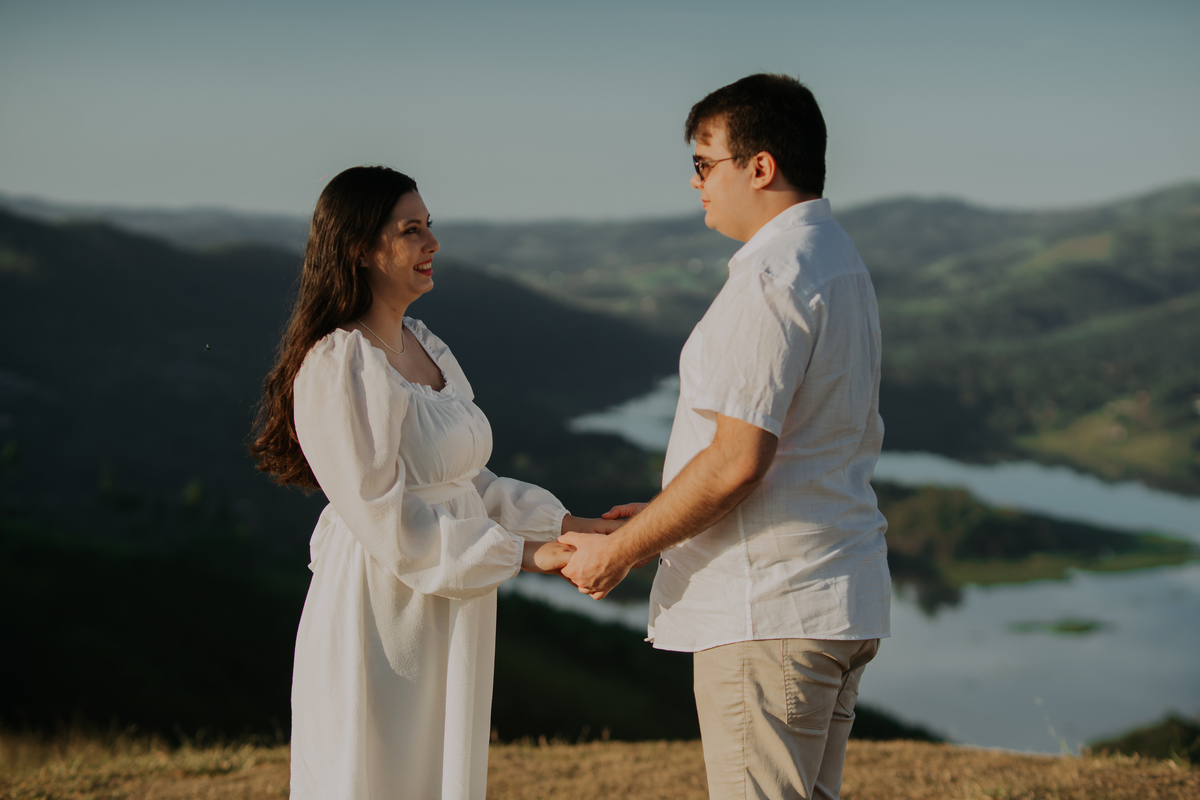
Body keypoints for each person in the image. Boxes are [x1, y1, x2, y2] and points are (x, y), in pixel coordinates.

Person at [560, 74, 892, 800]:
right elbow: (798, 445)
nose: (695, 181)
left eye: (705, 163)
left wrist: (619, 551)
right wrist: (661, 513)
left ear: (760, 166)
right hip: (835, 597)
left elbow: (739, 461)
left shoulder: (772, 276)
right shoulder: (837, 259)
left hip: (767, 607)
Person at [249, 165, 618, 800]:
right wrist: (526, 554)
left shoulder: (423, 344)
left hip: (453, 595)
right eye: (411, 230)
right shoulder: (339, 363)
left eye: (429, 226)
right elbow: (385, 519)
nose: (432, 243)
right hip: (383, 606)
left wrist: (569, 526)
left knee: (438, 772)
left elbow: (468, 482)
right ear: (359, 248)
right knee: (382, 772)